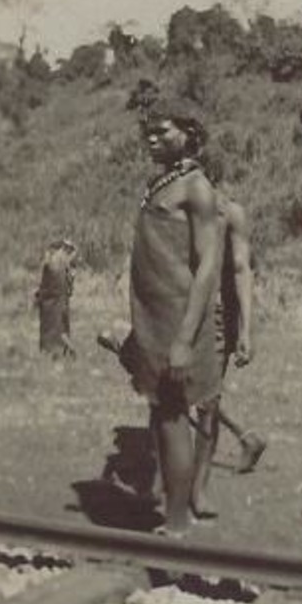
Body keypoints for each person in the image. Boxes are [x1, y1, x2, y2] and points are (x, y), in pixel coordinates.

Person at [123, 113, 221, 537]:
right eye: (150, 131)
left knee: (173, 416)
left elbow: (208, 267)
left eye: (163, 131)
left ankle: (177, 525)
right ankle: (173, 511)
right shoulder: (160, 183)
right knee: (162, 413)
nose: (152, 137)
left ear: (190, 134)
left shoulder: (197, 188)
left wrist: (184, 339)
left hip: (179, 319)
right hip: (153, 317)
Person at [189, 165, 267, 519]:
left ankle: (198, 489)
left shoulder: (230, 214)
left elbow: (241, 268)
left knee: (207, 402)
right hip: (178, 311)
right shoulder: (174, 209)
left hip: (217, 316)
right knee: (169, 394)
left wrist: (247, 329)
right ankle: (167, 481)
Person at [35, 238, 77, 357]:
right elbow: (69, 287)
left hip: (51, 303)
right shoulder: (66, 266)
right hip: (62, 301)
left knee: (52, 330)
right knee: (62, 328)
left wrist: (39, 297)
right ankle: (68, 350)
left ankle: (61, 351)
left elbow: (46, 285)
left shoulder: (51, 264)